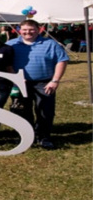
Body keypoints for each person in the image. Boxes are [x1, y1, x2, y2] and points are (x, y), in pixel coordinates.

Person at [6, 20, 69, 149]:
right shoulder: (11, 44)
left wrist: (55, 80)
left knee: (45, 111)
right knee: (22, 110)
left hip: (45, 83)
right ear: (19, 30)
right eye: (24, 29)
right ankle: (25, 136)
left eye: (31, 29)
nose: (28, 32)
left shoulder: (50, 44)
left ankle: (44, 137)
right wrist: (14, 77)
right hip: (19, 84)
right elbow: (6, 63)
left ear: (39, 29)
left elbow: (62, 60)